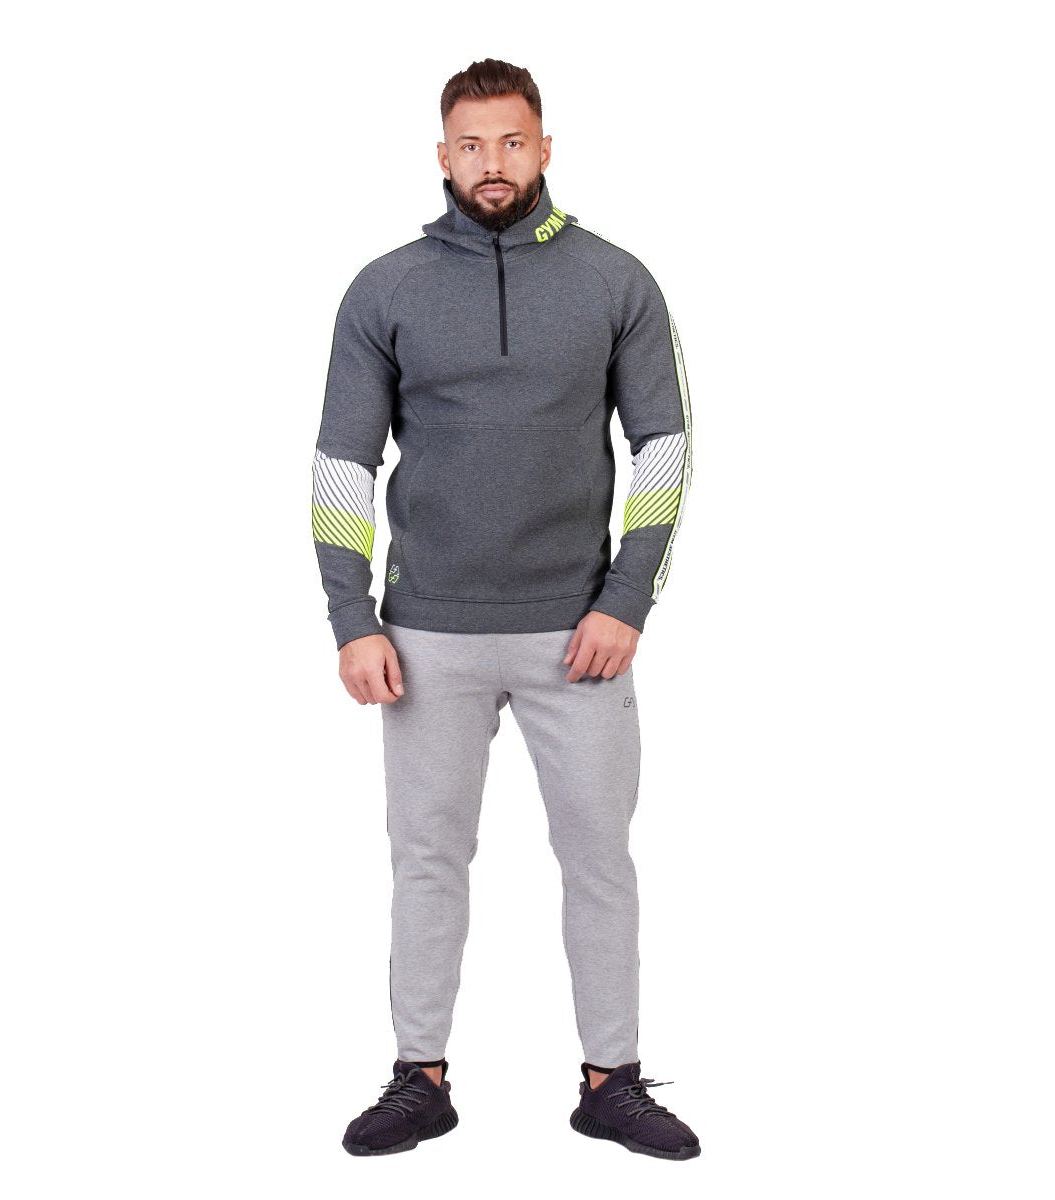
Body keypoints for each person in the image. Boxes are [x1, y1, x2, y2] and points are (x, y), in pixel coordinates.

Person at [312, 58, 699, 1161]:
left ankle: (611, 1081)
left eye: (513, 142)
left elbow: (665, 447)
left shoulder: (616, 280)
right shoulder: (384, 289)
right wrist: (352, 618)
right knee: (427, 859)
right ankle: (419, 1078)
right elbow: (342, 463)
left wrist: (627, 601)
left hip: (578, 634)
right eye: (472, 145)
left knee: (600, 859)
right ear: (443, 156)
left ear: (545, 148)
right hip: (425, 634)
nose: (494, 164)